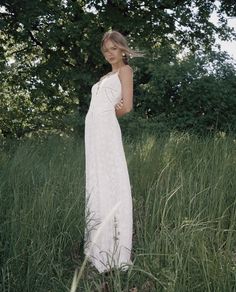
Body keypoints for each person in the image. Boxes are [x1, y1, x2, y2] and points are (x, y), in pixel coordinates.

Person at [84, 30, 140, 273]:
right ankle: (98, 246)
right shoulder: (106, 75)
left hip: (106, 133)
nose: (109, 54)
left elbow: (126, 106)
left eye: (113, 49)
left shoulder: (125, 71)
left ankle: (116, 251)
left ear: (123, 49)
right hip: (93, 134)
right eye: (106, 50)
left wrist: (107, 118)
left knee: (111, 181)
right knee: (97, 182)